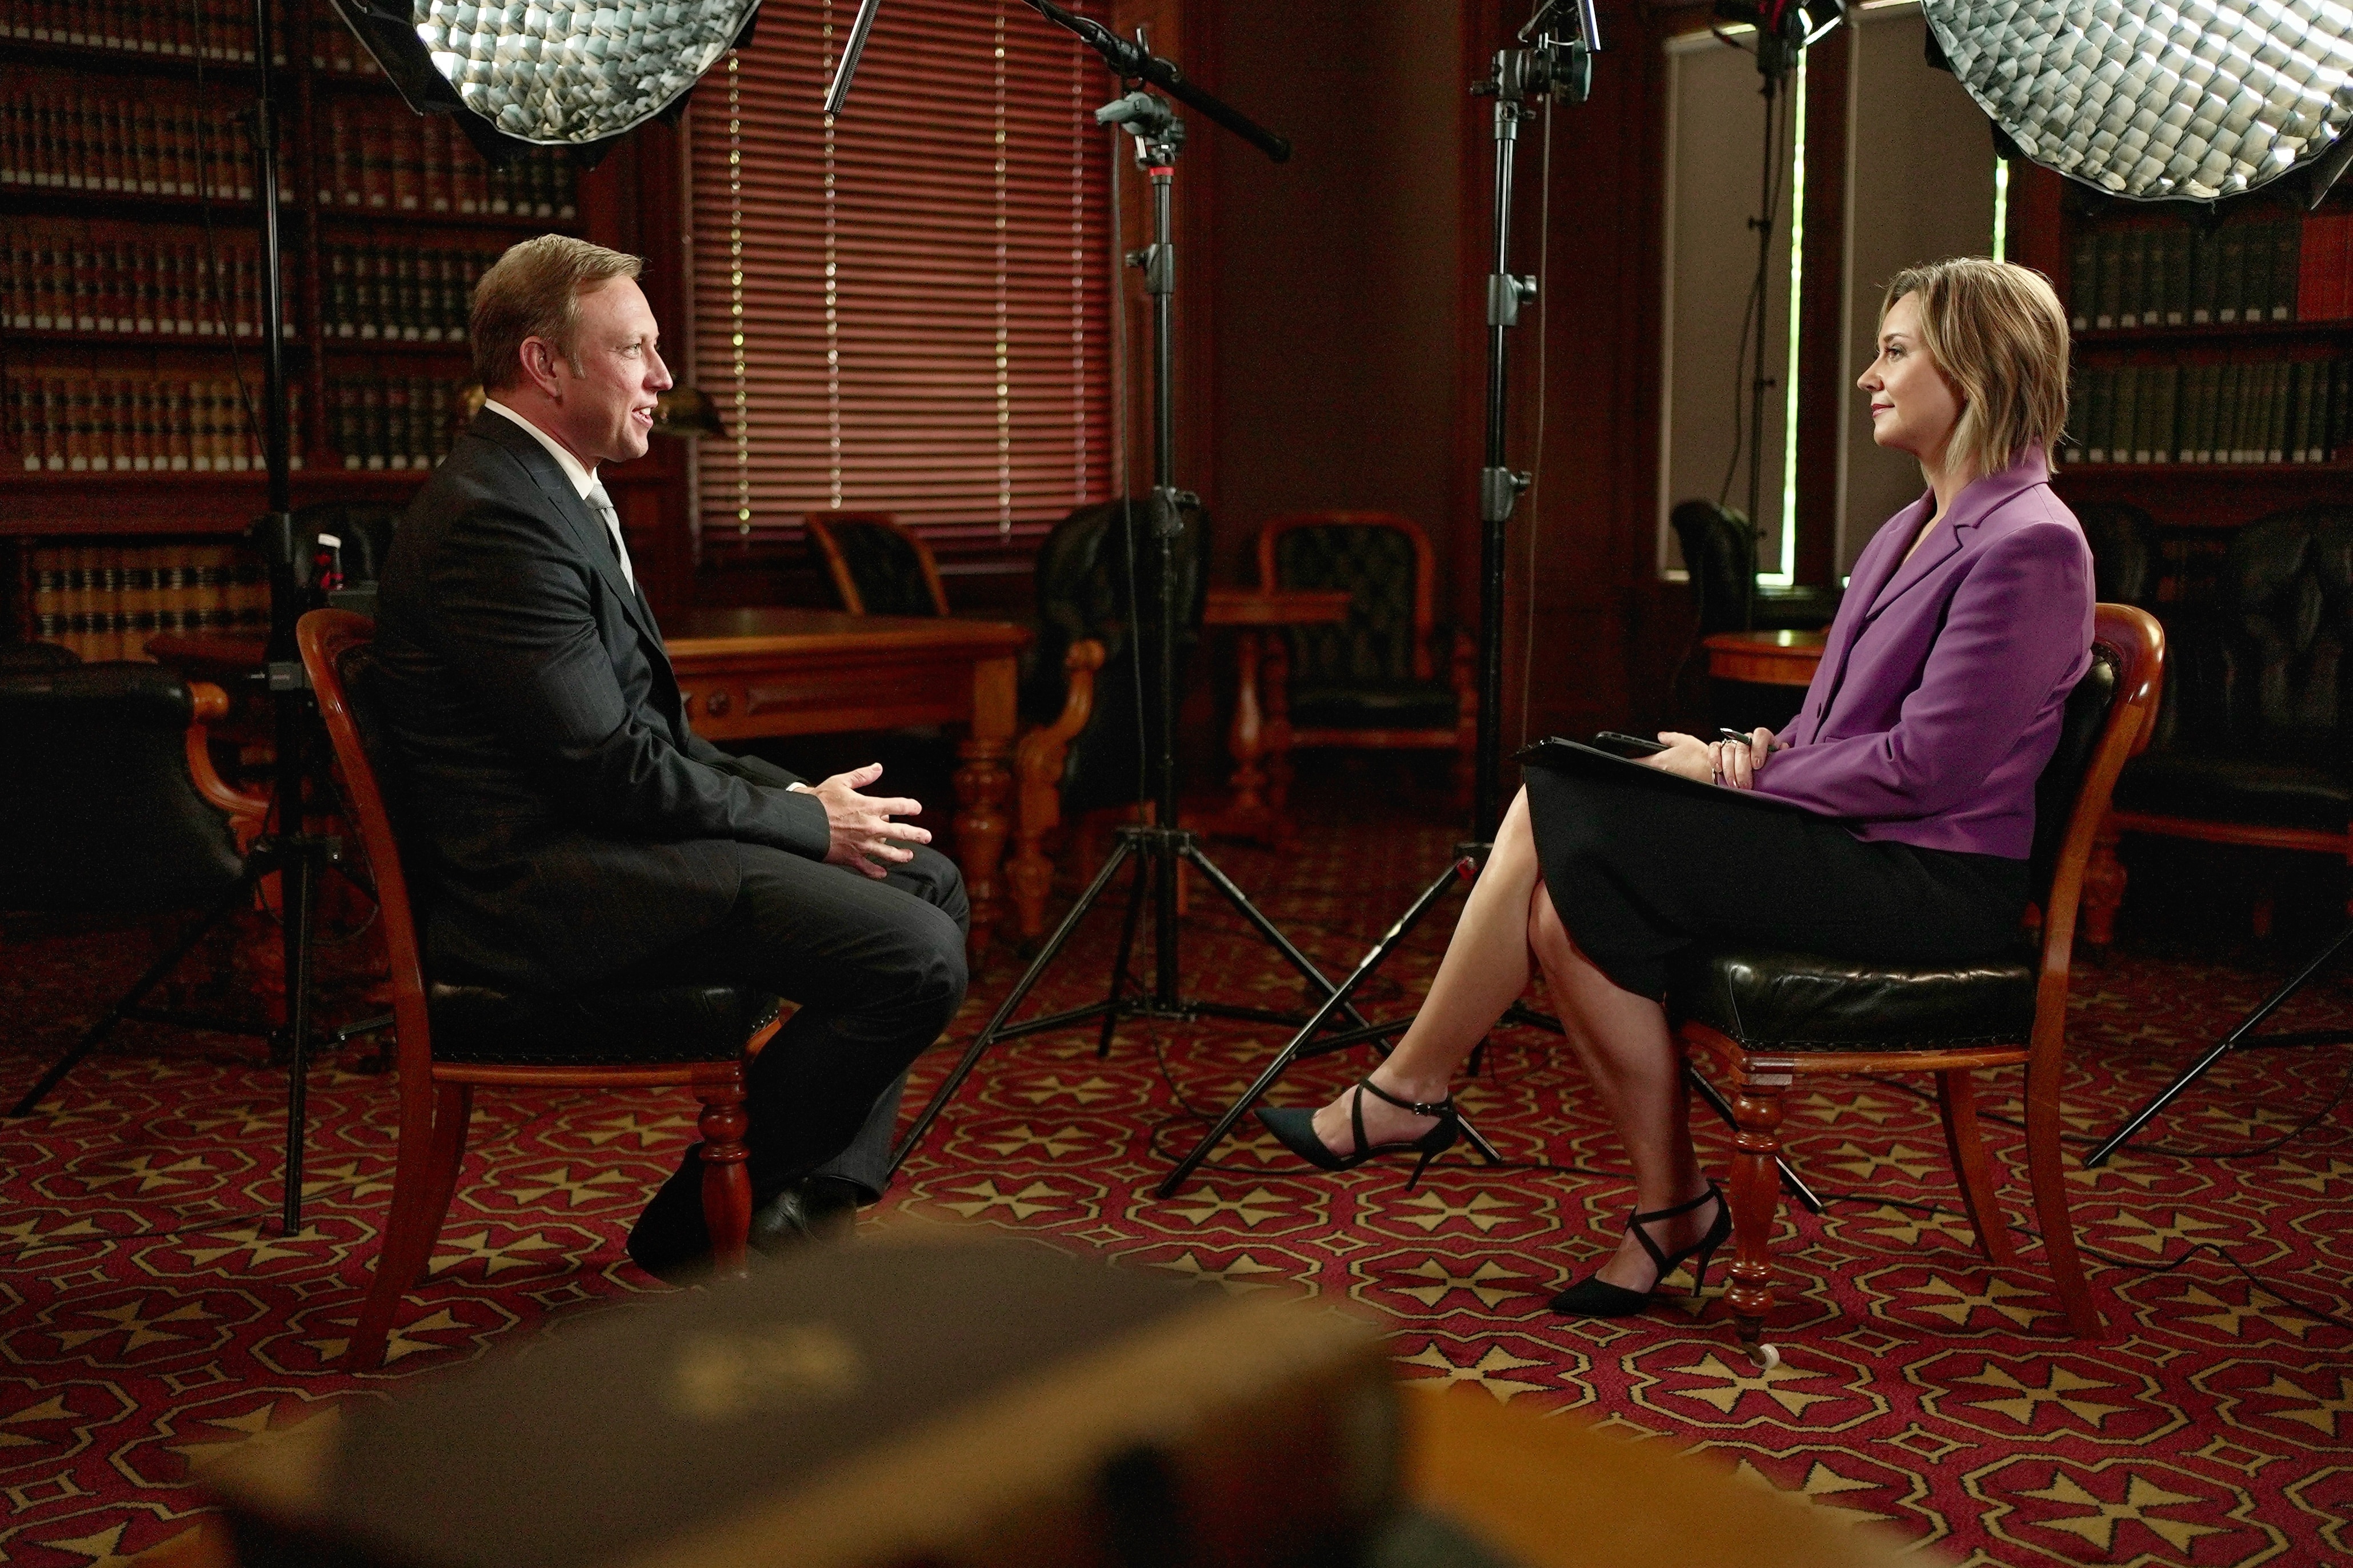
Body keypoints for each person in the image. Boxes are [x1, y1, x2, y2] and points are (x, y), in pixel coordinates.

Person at [1258, 256, 2094, 1317]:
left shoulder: (2032, 544)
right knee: (1563, 898)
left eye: (1893, 350)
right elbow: (1841, 727)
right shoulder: (1908, 526)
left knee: (1556, 798)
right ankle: (1668, 1204)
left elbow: (1929, 765)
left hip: (1927, 880)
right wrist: (1750, 748)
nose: (1866, 378)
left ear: (1976, 364)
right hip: (1859, 842)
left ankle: (1408, 1088)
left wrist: (1748, 773)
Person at [374, 235, 969, 1280]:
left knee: (929, 876)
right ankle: (701, 1225)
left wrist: (797, 794)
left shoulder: (551, 489)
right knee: (912, 954)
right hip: (547, 890)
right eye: (635, 351)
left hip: (607, 846)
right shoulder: (495, 518)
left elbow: (652, 740)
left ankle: (804, 1196)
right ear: (542, 364)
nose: (661, 379)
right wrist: (804, 824)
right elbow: (609, 767)